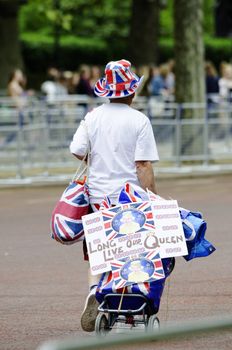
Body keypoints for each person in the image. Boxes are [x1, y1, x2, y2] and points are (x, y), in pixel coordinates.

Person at [69, 59, 159, 332]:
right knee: (130, 252)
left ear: (106, 91)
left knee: (100, 250)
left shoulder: (93, 117)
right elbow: (143, 165)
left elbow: (76, 149)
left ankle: (95, 290)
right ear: (131, 91)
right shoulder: (139, 120)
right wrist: (153, 196)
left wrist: (99, 155)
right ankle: (129, 312)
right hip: (129, 197)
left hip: (97, 196)